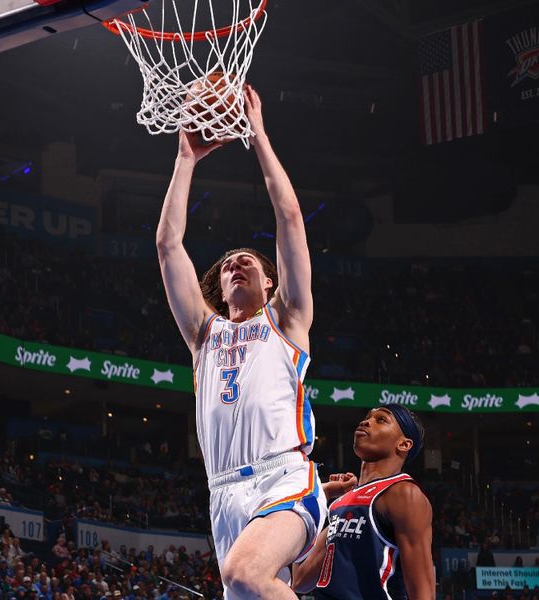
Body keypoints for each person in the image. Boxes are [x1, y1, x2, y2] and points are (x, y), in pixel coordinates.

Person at [156, 85, 325, 599]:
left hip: (284, 477)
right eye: (227, 261)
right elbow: (167, 245)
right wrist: (186, 158)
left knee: (244, 574)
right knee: (250, 588)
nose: (235, 263)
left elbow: (291, 218)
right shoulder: (204, 335)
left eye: (247, 259)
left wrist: (259, 137)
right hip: (223, 493)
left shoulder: (288, 318)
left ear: (269, 282)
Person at [292, 405, 434, 600]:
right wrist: (316, 501)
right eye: (368, 417)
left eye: (381, 419)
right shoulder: (340, 503)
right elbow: (300, 580)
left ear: (403, 444)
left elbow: (423, 592)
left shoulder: (403, 493)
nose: (366, 421)